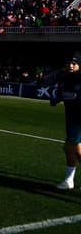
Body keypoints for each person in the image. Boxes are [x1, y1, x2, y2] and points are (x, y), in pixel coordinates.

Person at [50, 56, 81, 190]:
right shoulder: (64, 79)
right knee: (77, 150)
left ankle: (69, 181)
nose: (71, 65)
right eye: (69, 63)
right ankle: (69, 181)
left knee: (68, 147)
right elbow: (62, 94)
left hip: (79, 119)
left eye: (74, 63)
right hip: (71, 118)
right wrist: (56, 99)